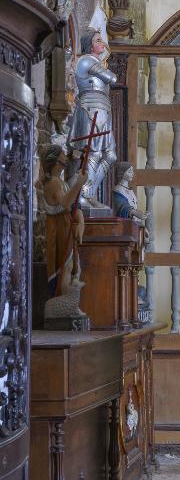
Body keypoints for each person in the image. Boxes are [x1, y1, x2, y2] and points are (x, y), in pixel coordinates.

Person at [67, 29, 117, 210]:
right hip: (90, 108)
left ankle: (89, 193)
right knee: (93, 152)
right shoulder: (86, 60)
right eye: (98, 40)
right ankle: (82, 196)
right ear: (89, 44)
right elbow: (111, 78)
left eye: (101, 40)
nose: (102, 43)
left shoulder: (96, 62)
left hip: (103, 109)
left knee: (110, 155)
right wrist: (106, 69)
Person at [40, 145, 87, 297]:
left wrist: (80, 219)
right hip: (58, 228)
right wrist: (79, 183)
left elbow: (72, 207)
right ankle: (62, 301)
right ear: (55, 161)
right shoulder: (53, 182)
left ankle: (68, 301)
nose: (66, 158)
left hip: (65, 225)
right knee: (65, 267)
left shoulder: (60, 181)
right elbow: (66, 204)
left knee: (72, 267)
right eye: (62, 156)